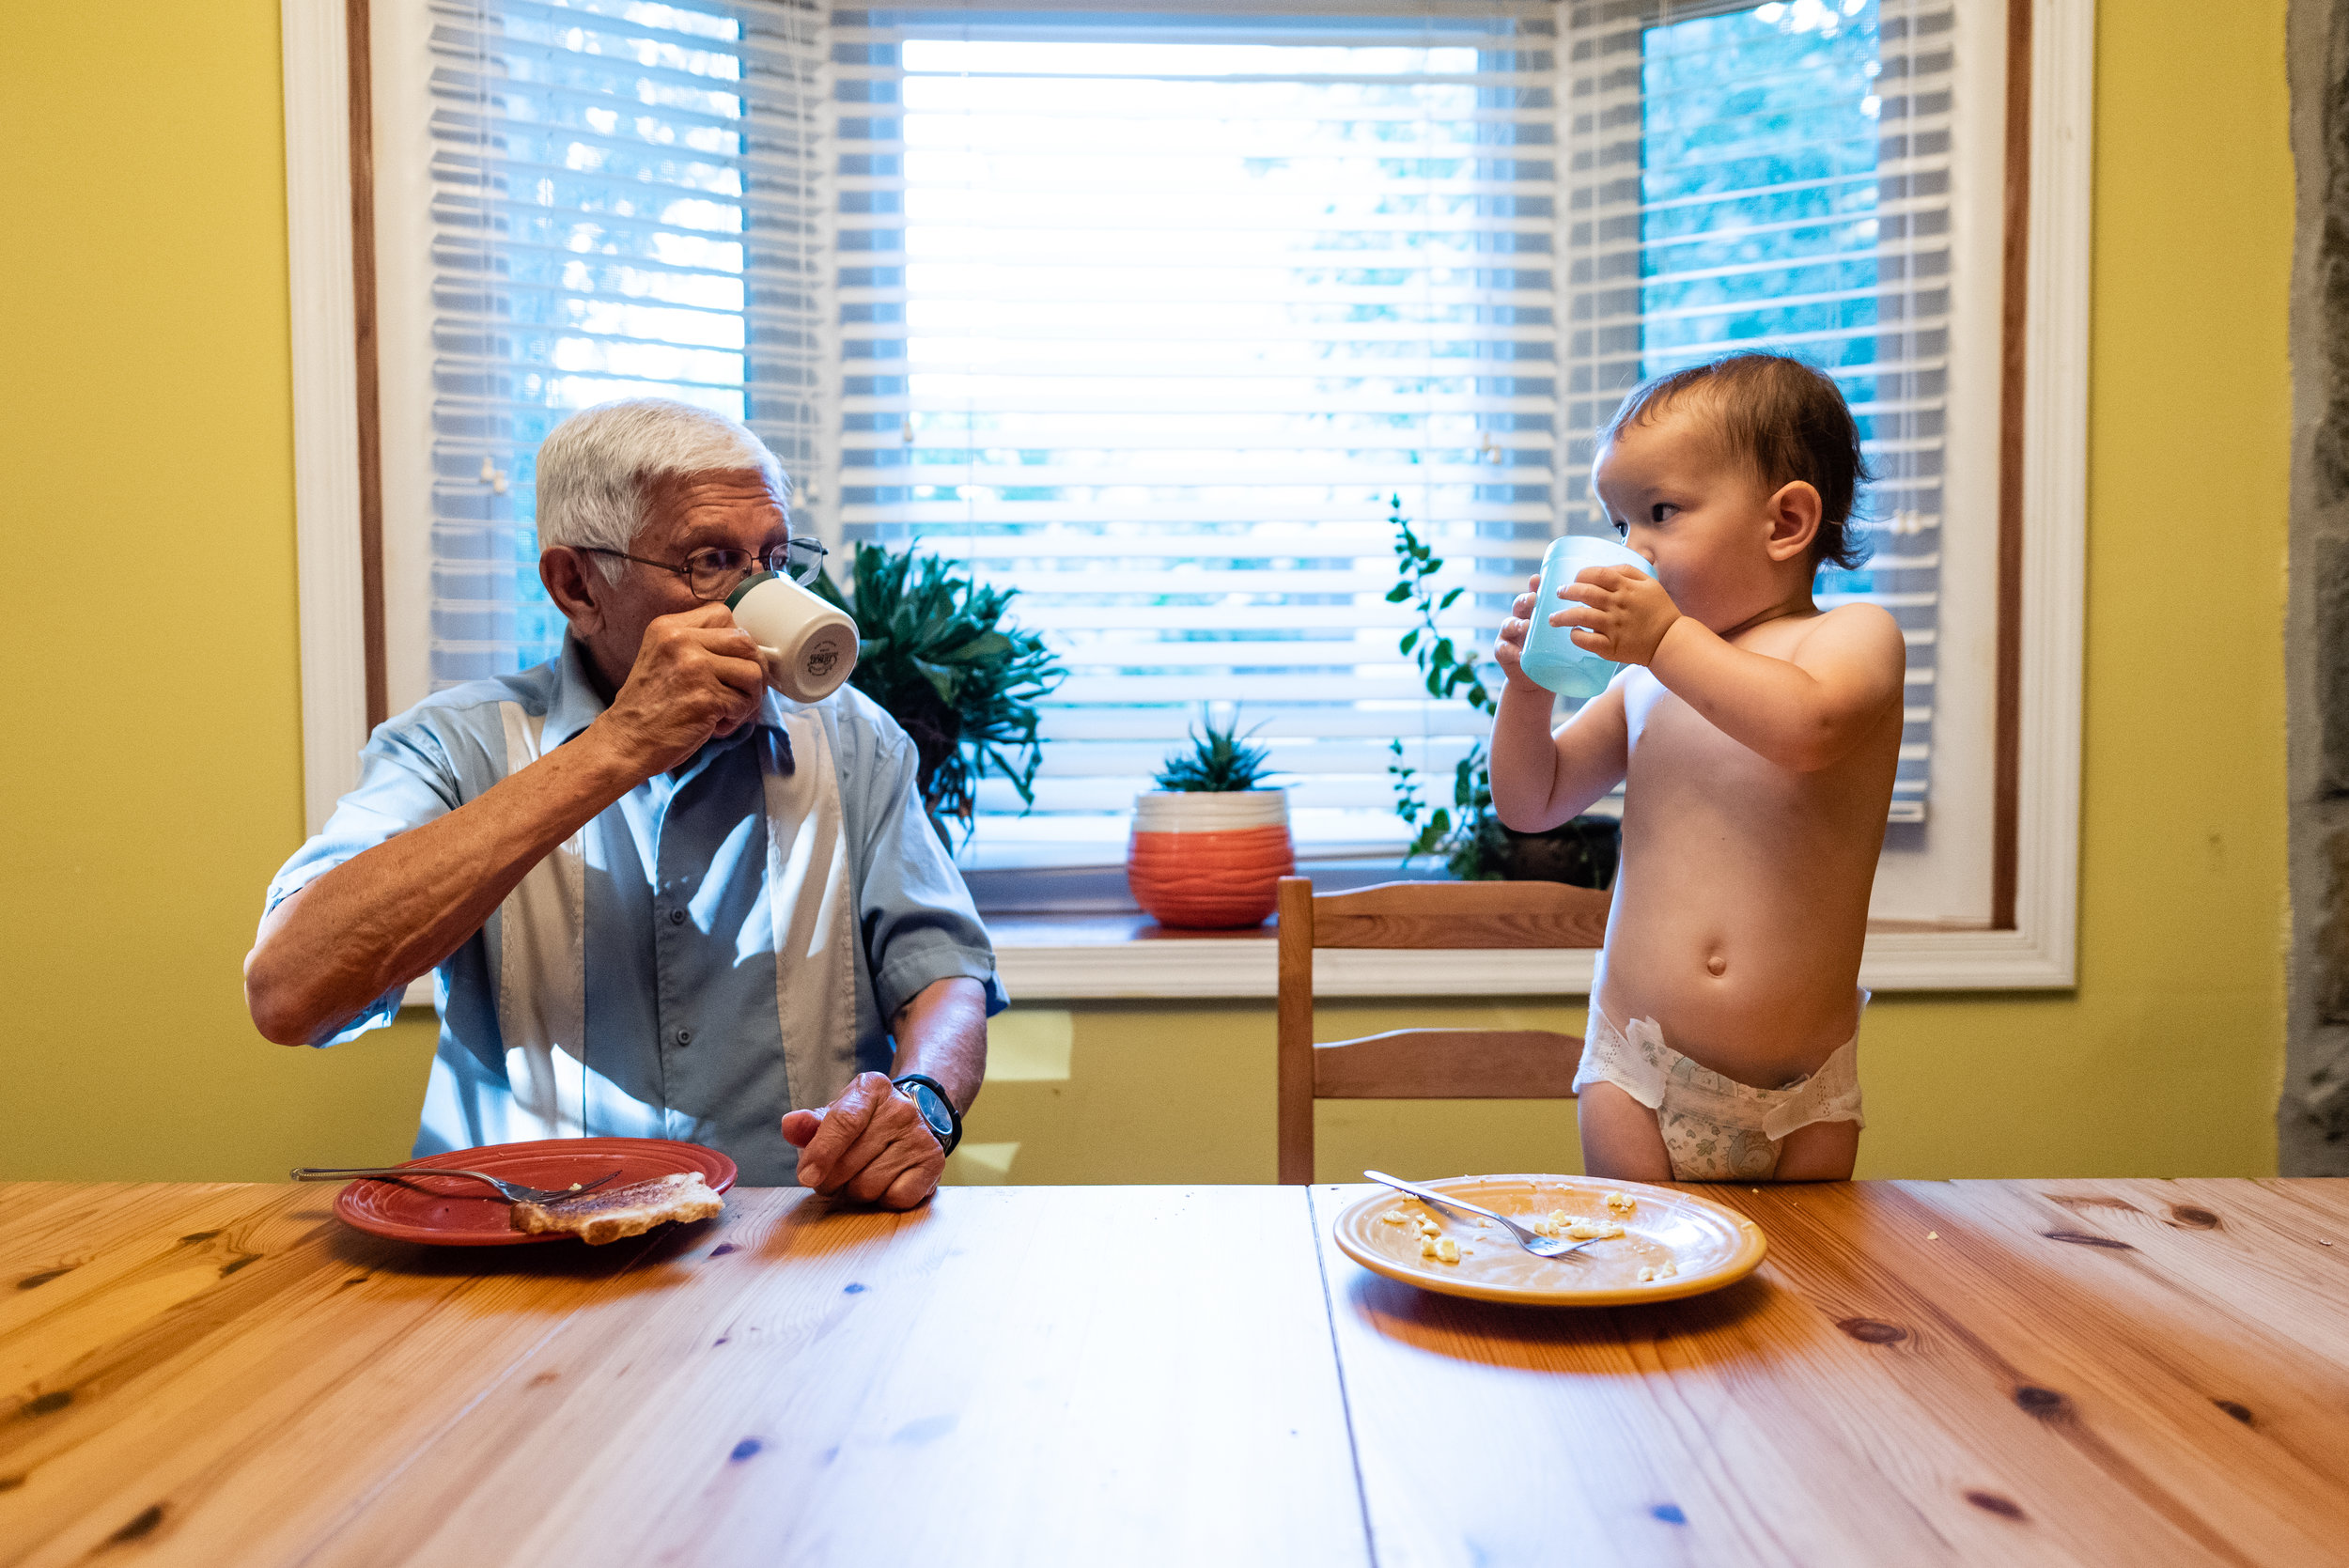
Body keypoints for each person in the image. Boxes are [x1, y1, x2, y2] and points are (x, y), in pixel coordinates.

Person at [246, 399, 1003, 1208]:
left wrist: (922, 1103)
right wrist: (612, 748)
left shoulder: (855, 743)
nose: (757, 597)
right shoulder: (453, 745)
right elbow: (290, 993)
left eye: (775, 560)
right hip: (517, 1250)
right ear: (577, 584)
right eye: (711, 560)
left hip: (785, 1240)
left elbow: (944, 974)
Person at [1489, 354, 1905, 1182]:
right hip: (1637, 1076)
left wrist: (1667, 641)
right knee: (1641, 1276)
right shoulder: (1646, 680)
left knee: (1814, 1293)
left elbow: (1807, 728)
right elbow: (1532, 801)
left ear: (1786, 523)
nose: (1630, 552)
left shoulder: (1854, 640)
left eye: (1660, 513)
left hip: (1802, 1095)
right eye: (1618, 526)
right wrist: (1528, 693)